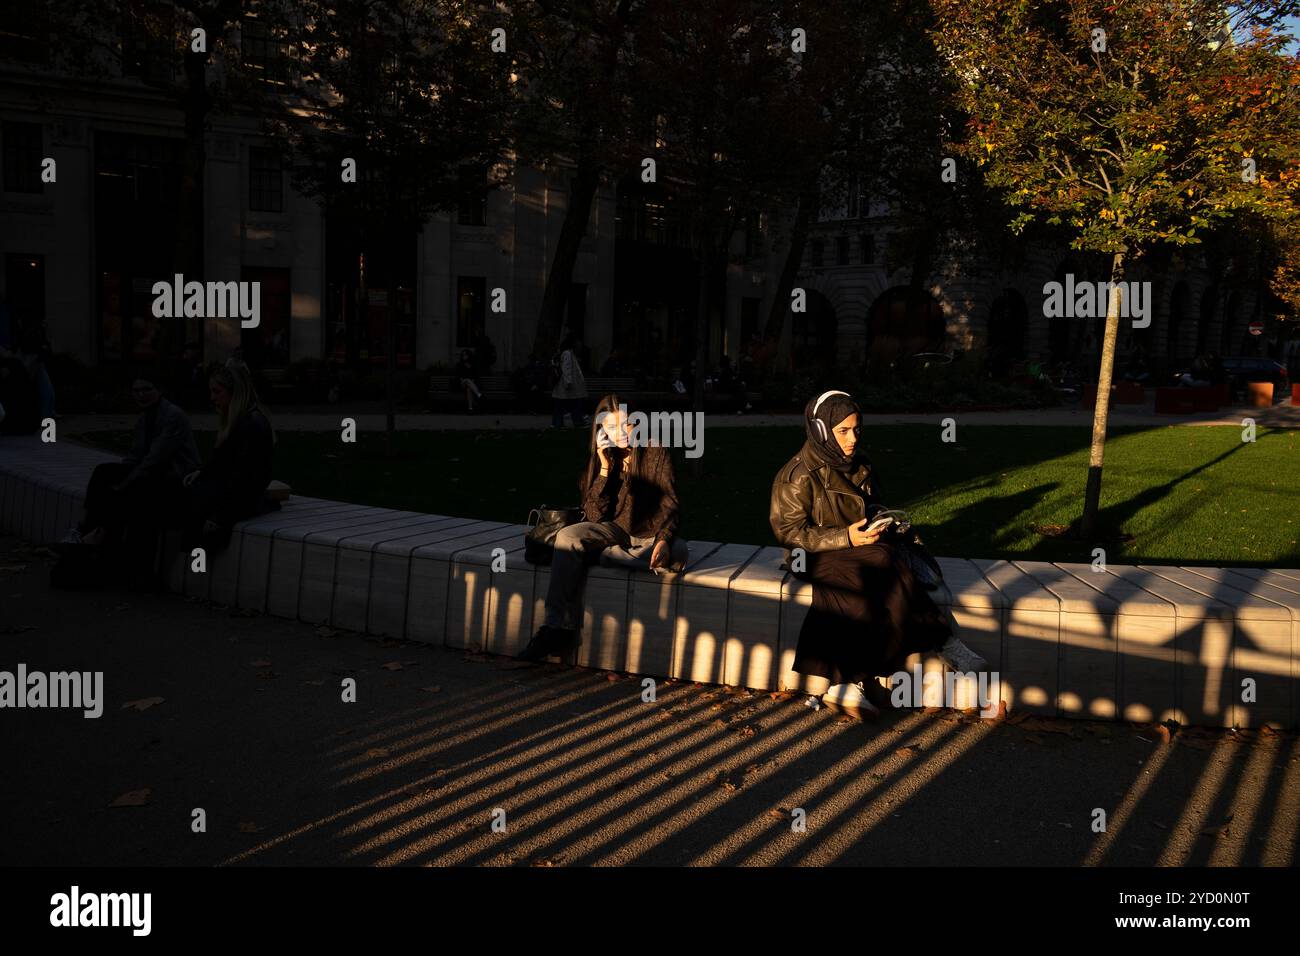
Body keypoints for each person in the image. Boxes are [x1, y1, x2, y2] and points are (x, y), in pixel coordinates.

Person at [770, 389, 987, 720]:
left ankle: (848, 684)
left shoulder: (860, 465)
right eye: (843, 431)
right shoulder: (798, 475)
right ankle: (945, 644)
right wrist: (845, 536)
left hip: (864, 547)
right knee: (878, 564)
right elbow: (788, 532)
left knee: (880, 564)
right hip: (813, 554)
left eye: (857, 429)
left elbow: (872, 505)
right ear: (821, 430)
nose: (853, 438)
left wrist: (883, 519)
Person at [520, 393, 689, 662]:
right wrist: (605, 469)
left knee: (678, 552)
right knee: (567, 537)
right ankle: (555, 627)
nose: (620, 433)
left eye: (626, 425)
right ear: (601, 430)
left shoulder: (656, 451)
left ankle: (602, 555)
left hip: (648, 535)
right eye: (611, 427)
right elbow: (592, 515)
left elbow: (670, 503)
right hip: (613, 528)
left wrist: (663, 539)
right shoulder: (601, 457)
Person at [59, 374, 201, 559]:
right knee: (103, 472)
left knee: (130, 489)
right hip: (154, 470)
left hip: (176, 475)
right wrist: (119, 478)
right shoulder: (145, 417)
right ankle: (87, 528)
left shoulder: (172, 416)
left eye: (146, 389)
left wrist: (124, 484)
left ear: (159, 390)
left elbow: (155, 459)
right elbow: (135, 457)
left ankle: (99, 535)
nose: (141, 395)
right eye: (136, 391)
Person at [179, 361, 276, 551]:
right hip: (227, 494)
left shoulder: (251, 424)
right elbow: (223, 460)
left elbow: (246, 477)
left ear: (234, 392)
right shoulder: (240, 420)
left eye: (217, 392)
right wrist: (202, 472)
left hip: (235, 500)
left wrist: (221, 516)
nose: (212, 398)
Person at [551, 333, 589, 427]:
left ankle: (558, 423)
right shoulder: (568, 354)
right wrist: (568, 382)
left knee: (563, 405)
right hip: (567, 385)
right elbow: (567, 369)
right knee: (572, 404)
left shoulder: (568, 353)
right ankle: (572, 422)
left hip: (565, 386)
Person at [456, 349, 482, 413]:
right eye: (463, 355)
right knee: (467, 380)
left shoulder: (472, 364)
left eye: (465, 355)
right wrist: (462, 379)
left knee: (469, 389)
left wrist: (469, 368)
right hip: (462, 383)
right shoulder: (460, 364)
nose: (464, 356)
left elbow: (475, 375)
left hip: (470, 384)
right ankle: (479, 395)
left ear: (469, 356)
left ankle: (470, 409)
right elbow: (458, 375)